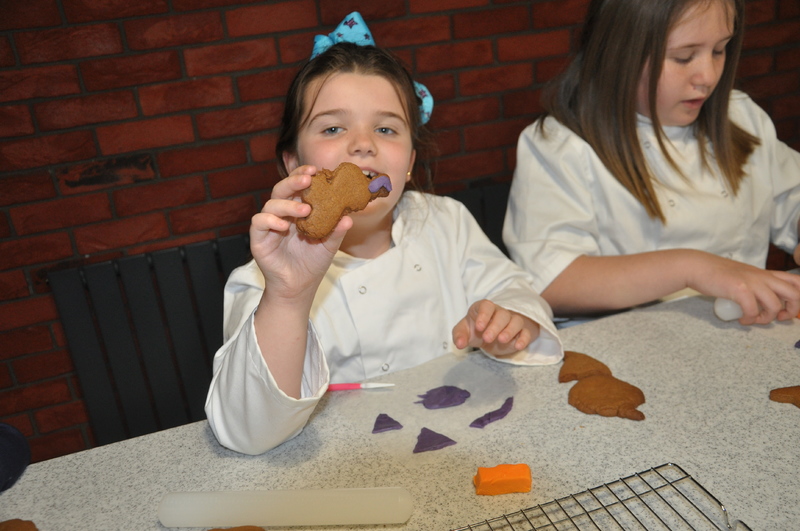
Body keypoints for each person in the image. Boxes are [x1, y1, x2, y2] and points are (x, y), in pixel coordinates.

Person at [205, 12, 563, 455]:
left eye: (386, 128)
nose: (364, 143)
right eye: (333, 128)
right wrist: (288, 297)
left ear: (409, 162)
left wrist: (508, 320)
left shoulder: (445, 222)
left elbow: (515, 290)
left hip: (464, 440)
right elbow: (248, 431)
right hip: (346, 465)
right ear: (294, 163)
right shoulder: (265, 278)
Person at [503, 0, 800, 326]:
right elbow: (552, 281)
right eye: (684, 57)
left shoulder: (742, 117)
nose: (708, 76)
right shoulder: (562, 147)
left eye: (719, 50)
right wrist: (693, 268)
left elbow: (793, 198)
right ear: (619, 54)